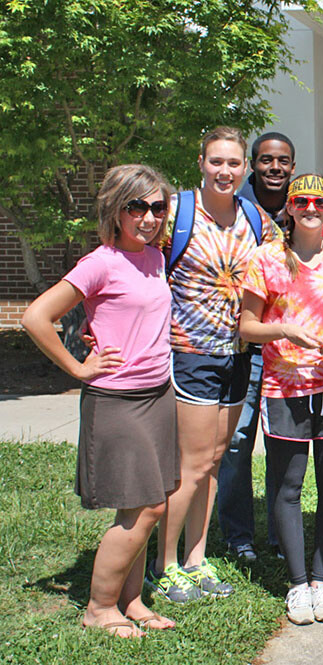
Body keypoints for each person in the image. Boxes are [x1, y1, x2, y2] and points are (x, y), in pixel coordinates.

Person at [22, 164, 178, 637]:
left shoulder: (153, 257)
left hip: (157, 392)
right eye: (138, 207)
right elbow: (35, 317)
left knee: (146, 502)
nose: (149, 217)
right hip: (117, 399)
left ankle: (130, 600)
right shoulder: (100, 262)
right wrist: (78, 368)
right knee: (146, 505)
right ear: (116, 209)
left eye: (157, 207)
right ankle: (98, 606)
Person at [147, 126, 281, 602]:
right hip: (189, 354)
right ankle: (162, 567)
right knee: (191, 463)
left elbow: (281, 272)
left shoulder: (257, 220)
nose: (225, 171)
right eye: (216, 162)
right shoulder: (174, 213)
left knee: (212, 462)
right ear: (201, 163)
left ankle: (196, 558)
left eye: (233, 163)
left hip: (239, 355)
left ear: (244, 168)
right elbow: (138, 267)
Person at [239, 173, 323, 625]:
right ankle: (297, 585)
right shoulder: (267, 258)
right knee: (288, 486)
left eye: (321, 201)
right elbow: (247, 326)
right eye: (302, 200)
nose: (311, 207)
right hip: (284, 387)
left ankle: (321, 580)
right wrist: (284, 329)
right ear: (289, 208)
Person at [218, 131, 296, 561]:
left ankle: (281, 535)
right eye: (266, 160)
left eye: (283, 161)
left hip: (289, 352)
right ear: (253, 164)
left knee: (283, 441)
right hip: (243, 347)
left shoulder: (306, 207)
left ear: (292, 167)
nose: (274, 169)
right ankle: (238, 535)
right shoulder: (235, 211)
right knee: (236, 441)